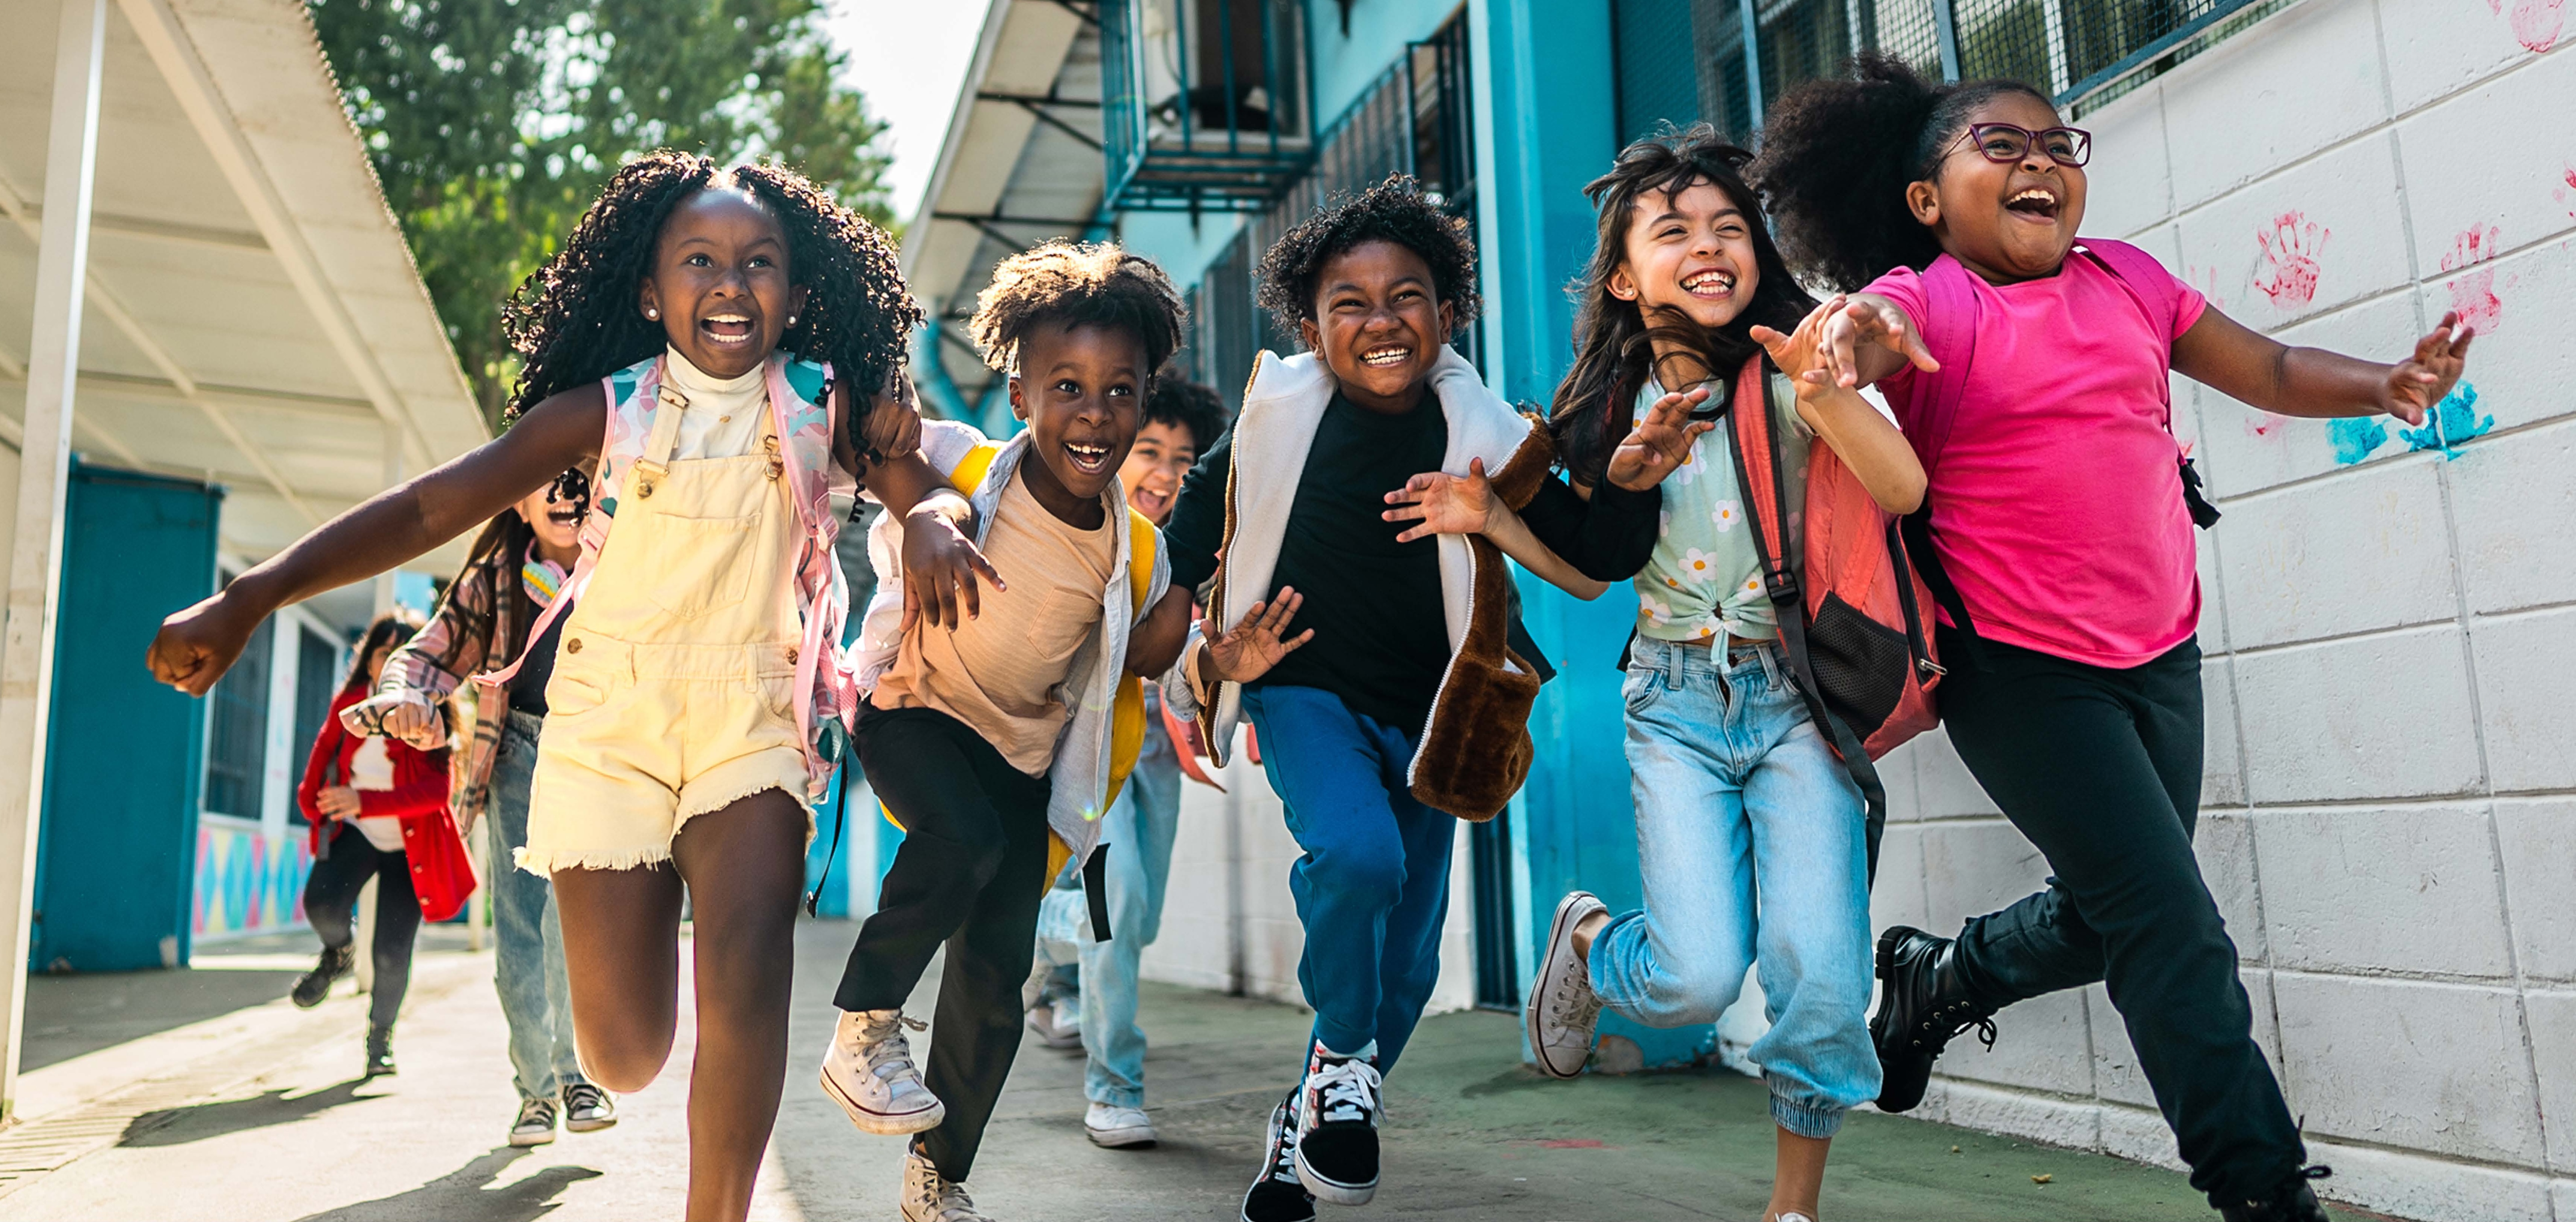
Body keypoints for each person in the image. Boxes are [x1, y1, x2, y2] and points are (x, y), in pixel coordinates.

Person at [1747, 55, 2472, 1222]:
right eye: (2001, 144)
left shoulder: (2129, 280)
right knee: (2169, 924)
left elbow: (2273, 367)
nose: (2039, 161)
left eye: (2057, 146)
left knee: (2110, 911)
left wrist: (2384, 381)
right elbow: (1873, 331)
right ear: (1928, 200)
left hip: (2159, 651)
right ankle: (2266, 1190)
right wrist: (1845, 334)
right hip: (2020, 674)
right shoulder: (1932, 297)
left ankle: (1946, 972)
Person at [148, 151, 929, 1222]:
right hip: (604, 723)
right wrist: (253, 592)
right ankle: (610, 1039)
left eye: (760, 263)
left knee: (749, 969)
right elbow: (430, 508)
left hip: (753, 709)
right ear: (650, 291)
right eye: (698, 259)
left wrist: (929, 514)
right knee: (626, 1051)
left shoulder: (819, 405)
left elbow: (925, 487)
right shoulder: (598, 414)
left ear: (797, 294)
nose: (731, 282)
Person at [1419, 125, 1924, 1222]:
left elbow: (1905, 490)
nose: (1707, 244)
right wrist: (1499, 513)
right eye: (1674, 229)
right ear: (1622, 271)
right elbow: (1598, 575)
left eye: (1728, 227)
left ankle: (1793, 1208)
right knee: (1696, 975)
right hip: (1678, 701)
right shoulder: (1602, 407)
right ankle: (1597, 942)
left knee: (1823, 977)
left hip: (1801, 701)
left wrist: (1826, 390)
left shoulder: (1802, 357)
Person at [1154, 177, 1654, 1222]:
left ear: (1448, 309)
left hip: (1439, 714)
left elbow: (1595, 553)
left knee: (1411, 964)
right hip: (1303, 690)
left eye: (1407, 295)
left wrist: (1624, 477)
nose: (1382, 320)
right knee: (1356, 856)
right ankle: (1340, 1058)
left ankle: (1308, 1121)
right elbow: (1166, 564)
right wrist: (1208, 657)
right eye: (1351, 301)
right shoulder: (1264, 427)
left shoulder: (1491, 431)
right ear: (1309, 322)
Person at [820, 239, 1188, 1222]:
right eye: (1066, 385)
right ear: (1021, 390)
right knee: (962, 839)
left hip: (1024, 758)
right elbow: (896, 455)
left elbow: (1145, 655)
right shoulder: (973, 461)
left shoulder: (1135, 545)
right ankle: (864, 1020)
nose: (1095, 411)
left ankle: (941, 1167)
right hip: (914, 711)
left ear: (1146, 394)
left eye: (1120, 389)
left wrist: (1204, 639)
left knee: (996, 972)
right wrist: (923, 505)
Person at [346, 475, 618, 1145]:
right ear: (520, 500)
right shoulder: (496, 580)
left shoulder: (625, 564)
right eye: (547, 483)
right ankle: (534, 1092)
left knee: (573, 925)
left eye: (582, 477)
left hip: (599, 760)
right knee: (521, 931)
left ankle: (579, 1075)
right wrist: (401, 695)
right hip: (518, 758)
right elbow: (426, 654)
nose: (566, 493)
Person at [1024, 371, 1230, 1149]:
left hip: (1155, 751)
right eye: (1150, 450)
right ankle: (1114, 1086)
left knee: (1136, 917)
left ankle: (1044, 935)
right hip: (1084, 742)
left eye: (1183, 458)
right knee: (1120, 907)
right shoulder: (1082, 523)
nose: (1166, 473)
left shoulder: (1197, 544)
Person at [288, 609, 474, 1079]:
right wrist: (316, 806)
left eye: (404, 654)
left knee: (392, 952)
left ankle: (380, 1041)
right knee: (322, 906)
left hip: (412, 846)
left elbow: (435, 794)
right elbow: (322, 756)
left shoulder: (433, 714)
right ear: (369, 662)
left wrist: (361, 800)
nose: (391, 662)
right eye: (382, 653)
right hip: (357, 832)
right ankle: (338, 953)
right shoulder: (349, 703)